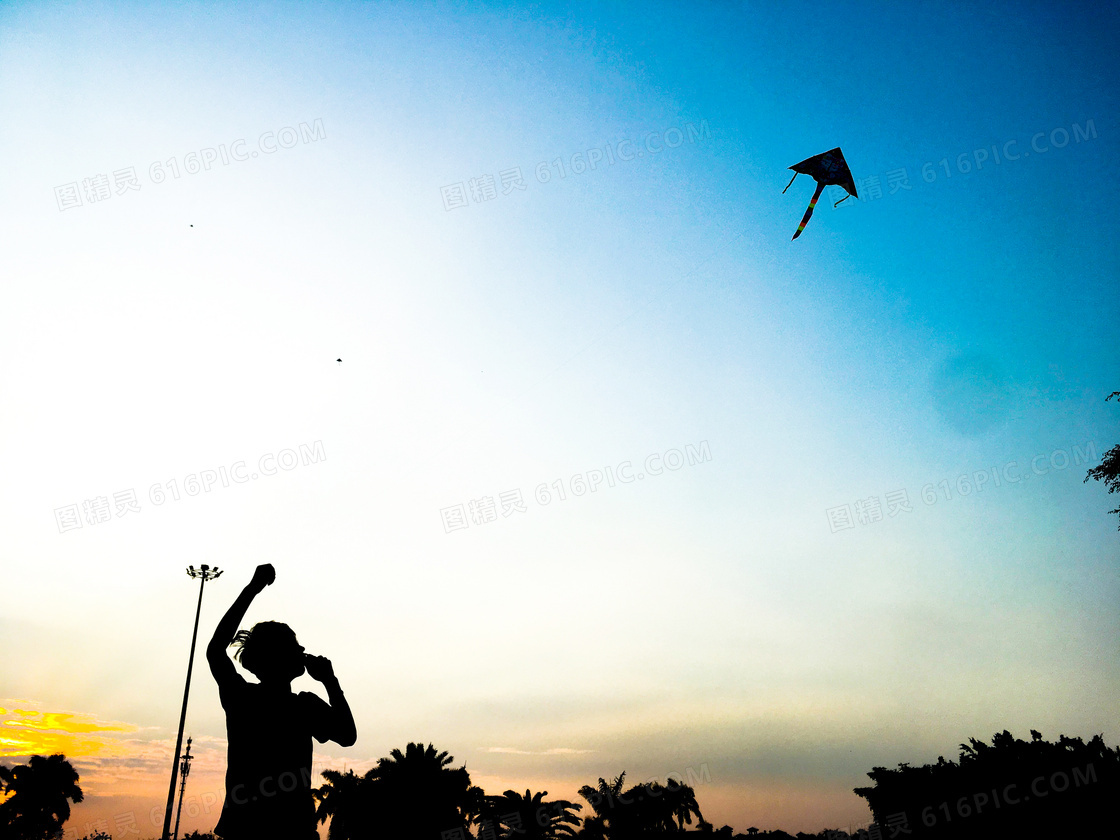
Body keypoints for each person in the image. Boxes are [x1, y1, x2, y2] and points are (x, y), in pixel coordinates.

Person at [206, 563, 356, 839]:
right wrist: (330, 681)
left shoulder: (242, 698)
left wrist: (253, 588)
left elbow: (215, 649)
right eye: (294, 644)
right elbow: (347, 735)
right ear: (279, 656)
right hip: (291, 830)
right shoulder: (304, 706)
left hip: (244, 828)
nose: (302, 649)